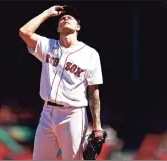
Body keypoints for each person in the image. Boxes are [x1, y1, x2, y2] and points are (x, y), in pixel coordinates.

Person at [19, 5, 104, 160]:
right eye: (62, 18)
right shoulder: (47, 46)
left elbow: (93, 91)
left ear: (78, 27)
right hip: (47, 112)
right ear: (58, 28)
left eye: (70, 17)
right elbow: (24, 32)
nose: (65, 18)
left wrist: (97, 125)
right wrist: (46, 13)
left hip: (73, 114)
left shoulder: (90, 54)